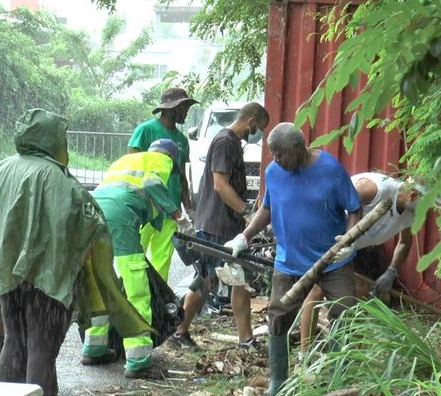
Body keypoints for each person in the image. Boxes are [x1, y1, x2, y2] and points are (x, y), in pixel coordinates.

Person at [0, 109, 150, 395]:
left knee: (14, 338)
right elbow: (87, 228)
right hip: (46, 278)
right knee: (41, 348)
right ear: (51, 140)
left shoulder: (1, 169)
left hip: (5, 273)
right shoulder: (59, 180)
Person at [224, 122, 362, 395]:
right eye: (273, 152)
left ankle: (337, 379)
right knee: (278, 315)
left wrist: (350, 240)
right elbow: (267, 208)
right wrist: (245, 236)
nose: (276, 159)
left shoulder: (331, 170)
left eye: (281, 153)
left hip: (333, 260)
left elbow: (355, 208)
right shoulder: (274, 172)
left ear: (300, 148)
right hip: (289, 261)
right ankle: (279, 380)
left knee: (344, 313)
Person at [80, 139, 195, 379]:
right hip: (120, 216)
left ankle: (94, 346)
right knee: (136, 286)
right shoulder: (162, 160)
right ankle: (138, 358)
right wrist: (178, 216)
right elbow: (152, 183)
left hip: (92, 214)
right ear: (172, 158)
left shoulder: (126, 160)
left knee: (99, 281)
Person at [167, 102, 270, 350]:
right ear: (251, 122)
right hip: (217, 226)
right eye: (259, 129)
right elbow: (220, 186)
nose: (257, 135)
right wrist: (247, 212)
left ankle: (184, 333)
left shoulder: (231, 142)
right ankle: (184, 332)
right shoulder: (226, 142)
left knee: (218, 280)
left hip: (224, 225)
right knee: (220, 280)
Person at [299, 172, 423, 352]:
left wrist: (391, 272)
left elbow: (404, 243)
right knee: (318, 291)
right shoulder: (375, 190)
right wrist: (342, 241)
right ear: (413, 194)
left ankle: (348, 355)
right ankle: (304, 355)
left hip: (354, 247)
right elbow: (332, 205)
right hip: (330, 238)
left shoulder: (409, 211)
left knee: (360, 292)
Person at [127, 88, 198, 281]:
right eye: (184, 107)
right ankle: (130, 300)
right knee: (134, 258)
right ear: (171, 108)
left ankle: (158, 302)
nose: (186, 112)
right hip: (144, 208)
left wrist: (188, 209)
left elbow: (182, 177)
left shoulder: (182, 140)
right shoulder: (146, 130)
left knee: (162, 262)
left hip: (170, 211)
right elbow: (131, 166)